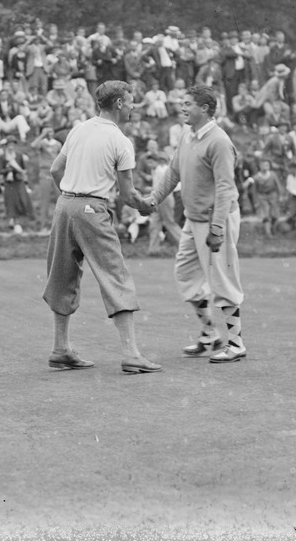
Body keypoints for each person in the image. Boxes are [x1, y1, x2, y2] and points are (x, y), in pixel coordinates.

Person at [43, 79, 160, 374]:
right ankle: (131, 354)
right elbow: (128, 194)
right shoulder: (120, 140)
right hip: (92, 209)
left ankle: (60, 349)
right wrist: (146, 205)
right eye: (131, 101)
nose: (133, 107)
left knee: (62, 277)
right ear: (119, 103)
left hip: (64, 206)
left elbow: (55, 169)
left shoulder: (79, 129)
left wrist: (69, 195)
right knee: (115, 276)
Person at [146, 85, 246, 363]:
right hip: (194, 218)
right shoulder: (188, 136)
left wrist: (217, 228)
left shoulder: (219, 141)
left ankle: (236, 344)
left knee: (223, 280)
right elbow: (173, 172)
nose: (183, 107)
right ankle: (209, 336)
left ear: (205, 108)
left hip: (217, 219)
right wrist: (153, 201)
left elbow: (226, 187)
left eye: (188, 103)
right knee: (186, 274)